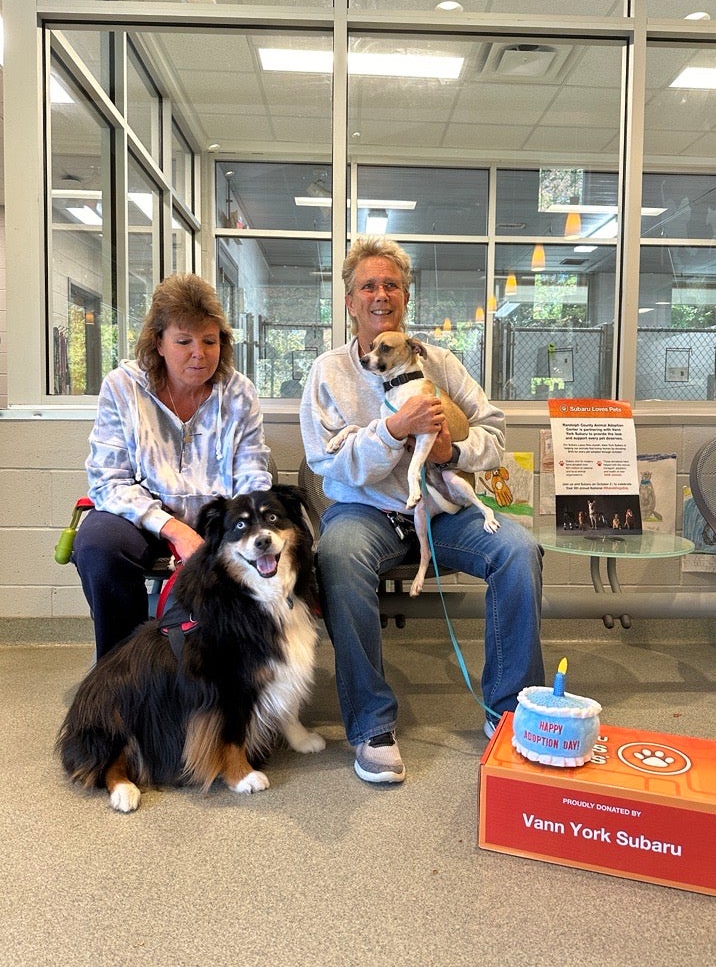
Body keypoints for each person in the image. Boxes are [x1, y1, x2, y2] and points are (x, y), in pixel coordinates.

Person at [300, 236, 544, 785]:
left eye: (391, 285)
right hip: (366, 510)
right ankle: (371, 724)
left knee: (517, 550)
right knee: (337, 557)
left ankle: (509, 710)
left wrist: (452, 452)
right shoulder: (327, 371)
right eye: (368, 286)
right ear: (350, 301)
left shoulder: (441, 362)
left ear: (406, 298)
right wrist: (392, 432)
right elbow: (326, 461)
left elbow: (494, 434)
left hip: (442, 506)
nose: (380, 294)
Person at [73, 273, 272, 658]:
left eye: (210, 341)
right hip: (144, 518)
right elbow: (107, 480)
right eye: (184, 341)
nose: (199, 353)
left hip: (218, 520)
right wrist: (173, 529)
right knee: (98, 544)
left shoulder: (239, 392)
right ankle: (122, 668)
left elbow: (253, 474)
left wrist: (228, 530)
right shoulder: (123, 387)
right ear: (158, 343)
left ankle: (231, 670)